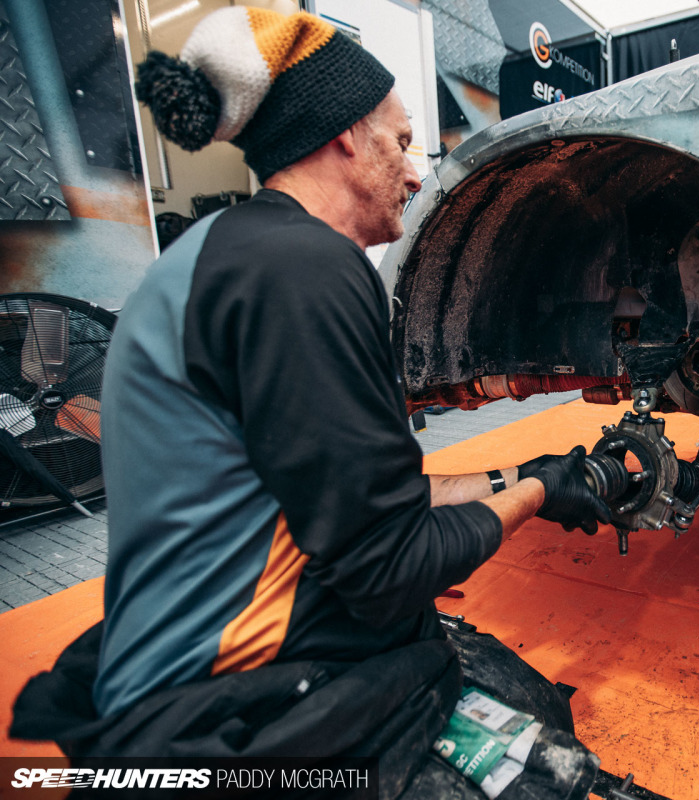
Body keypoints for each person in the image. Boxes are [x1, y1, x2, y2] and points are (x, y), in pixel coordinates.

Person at [11, 8, 608, 798]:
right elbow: (390, 566)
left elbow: (353, 502)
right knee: (549, 766)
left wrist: (524, 474)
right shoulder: (308, 270)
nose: (417, 174)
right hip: (231, 704)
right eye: (402, 141)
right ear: (345, 136)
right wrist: (537, 495)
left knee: (519, 692)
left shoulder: (220, 252)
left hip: (168, 657)